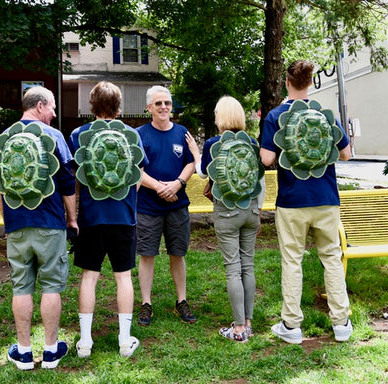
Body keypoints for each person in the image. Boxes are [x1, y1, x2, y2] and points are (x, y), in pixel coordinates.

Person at [260, 60, 353, 344]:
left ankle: (292, 325)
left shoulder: (276, 115)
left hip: (292, 201)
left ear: (287, 82)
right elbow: (346, 154)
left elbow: (265, 159)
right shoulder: (325, 115)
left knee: (292, 261)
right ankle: (341, 324)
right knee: (332, 260)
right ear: (310, 83)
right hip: (326, 198)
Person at [0, 86, 78, 370]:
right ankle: (52, 351)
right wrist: (72, 218)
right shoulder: (54, 137)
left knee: (21, 287)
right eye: (52, 108)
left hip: (17, 225)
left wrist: (7, 221)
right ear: (40, 105)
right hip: (50, 223)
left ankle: (24, 353)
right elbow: (67, 184)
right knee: (52, 286)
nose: (54, 114)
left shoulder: (3, 139)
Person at [68, 81, 148, 358]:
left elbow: (75, 179)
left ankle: (85, 342)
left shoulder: (79, 134)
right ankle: (125, 341)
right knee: (123, 277)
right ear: (118, 104)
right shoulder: (132, 135)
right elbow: (136, 177)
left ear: (92, 104)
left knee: (89, 277)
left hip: (91, 217)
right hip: (123, 217)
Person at [186, 96, 265, 342]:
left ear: (221, 117)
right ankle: (248, 322)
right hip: (251, 211)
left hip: (227, 213)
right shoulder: (251, 143)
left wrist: (196, 155)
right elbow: (259, 181)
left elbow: (202, 173)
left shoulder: (213, 144)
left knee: (233, 269)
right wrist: (258, 212)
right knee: (247, 266)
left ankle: (239, 329)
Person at [136, 85, 196, 326]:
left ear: (172, 107)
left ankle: (181, 300)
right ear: (149, 107)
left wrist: (178, 184)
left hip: (177, 206)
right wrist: (161, 187)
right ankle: (146, 303)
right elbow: (136, 171)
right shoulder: (139, 134)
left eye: (167, 103)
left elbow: (191, 163)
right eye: (158, 103)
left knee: (177, 254)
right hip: (148, 207)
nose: (163, 107)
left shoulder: (182, 133)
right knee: (147, 255)